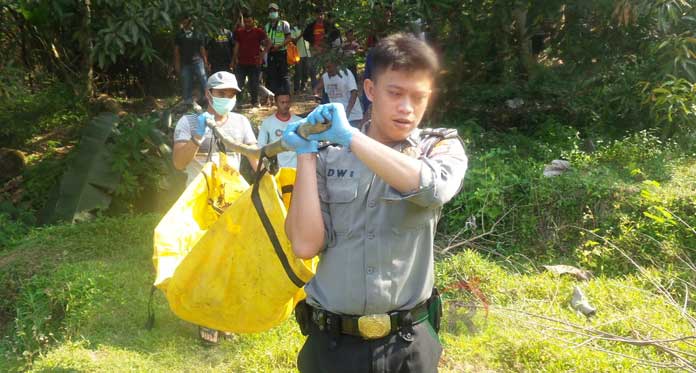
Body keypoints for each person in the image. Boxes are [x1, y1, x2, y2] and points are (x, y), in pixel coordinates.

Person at [282, 33, 468, 372]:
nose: (407, 108)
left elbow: (433, 189)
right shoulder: (328, 154)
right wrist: (306, 154)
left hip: (408, 345)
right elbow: (306, 244)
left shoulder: (438, 148)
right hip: (333, 346)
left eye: (418, 97)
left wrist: (351, 138)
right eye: (395, 93)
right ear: (370, 90)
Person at [173, 71, 258, 187]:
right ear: (208, 94)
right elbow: (179, 163)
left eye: (231, 95)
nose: (227, 99)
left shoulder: (241, 121)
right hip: (200, 198)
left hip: (231, 197)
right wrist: (197, 137)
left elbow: (256, 159)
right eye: (222, 94)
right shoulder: (188, 121)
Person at [233, 11, 269, 108]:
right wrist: (233, 60)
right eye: (246, 22)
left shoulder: (259, 32)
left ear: (253, 21)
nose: (248, 24)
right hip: (241, 62)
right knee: (238, 83)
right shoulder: (239, 32)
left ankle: (255, 102)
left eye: (249, 21)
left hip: (254, 62)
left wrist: (262, 56)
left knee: (254, 83)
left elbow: (268, 43)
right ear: (243, 22)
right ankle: (238, 102)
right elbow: (237, 46)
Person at [257, 91, 303, 168]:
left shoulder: (299, 122)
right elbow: (260, 146)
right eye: (282, 102)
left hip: (298, 169)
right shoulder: (267, 123)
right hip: (276, 169)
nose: (285, 105)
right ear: (276, 103)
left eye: (287, 102)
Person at [313, 59, 362, 127]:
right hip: (337, 116)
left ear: (336, 65)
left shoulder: (346, 73)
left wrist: (347, 113)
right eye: (326, 68)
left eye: (329, 67)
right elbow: (317, 88)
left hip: (353, 116)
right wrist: (316, 94)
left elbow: (354, 93)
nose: (327, 70)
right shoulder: (325, 77)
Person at [174, 15, 209, 109]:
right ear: (182, 22)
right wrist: (177, 65)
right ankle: (187, 102)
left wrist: (205, 62)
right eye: (184, 22)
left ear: (191, 22)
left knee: (204, 80)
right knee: (186, 82)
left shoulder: (197, 33)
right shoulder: (179, 34)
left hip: (198, 61)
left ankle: (209, 99)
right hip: (185, 63)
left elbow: (202, 48)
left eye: (188, 22)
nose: (187, 24)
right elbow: (176, 51)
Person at [264, 3, 292, 95]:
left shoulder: (284, 24)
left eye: (274, 11)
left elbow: (289, 38)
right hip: (271, 53)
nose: (272, 13)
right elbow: (266, 39)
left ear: (278, 12)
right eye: (270, 11)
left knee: (284, 75)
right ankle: (276, 96)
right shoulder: (267, 26)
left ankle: (287, 95)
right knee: (272, 75)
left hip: (281, 52)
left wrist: (279, 46)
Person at [291, 21, 312, 93]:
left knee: (306, 72)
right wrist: (301, 34)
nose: (303, 22)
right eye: (301, 20)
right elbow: (293, 41)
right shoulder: (294, 29)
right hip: (298, 54)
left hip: (308, 54)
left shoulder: (308, 29)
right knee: (298, 72)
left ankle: (304, 87)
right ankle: (296, 89)